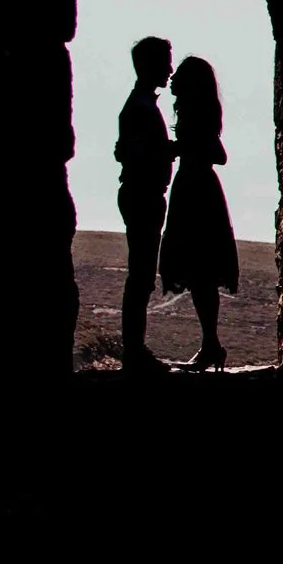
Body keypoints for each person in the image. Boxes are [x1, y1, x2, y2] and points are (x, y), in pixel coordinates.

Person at [158, 55, 239, 371]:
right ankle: (210, 344)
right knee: (200, 271)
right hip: (197, 188)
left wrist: (179, 149)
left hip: (195, 191)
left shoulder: (194, 115)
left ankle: (210, 345)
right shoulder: (198, 113)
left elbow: (218, 154)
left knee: (199, 270)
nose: (172, 77)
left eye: (179, 73)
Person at [113, 36, 176, 373]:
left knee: (141, 276)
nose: (169, 68)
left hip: (142, 193)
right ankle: (134, 354)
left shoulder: (138, 105)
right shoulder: (141, 108)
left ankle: (134, 352)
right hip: (143, 194)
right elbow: (136, 153)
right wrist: (167, 151)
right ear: (149, 65)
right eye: (165, 61)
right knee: (140, 277)